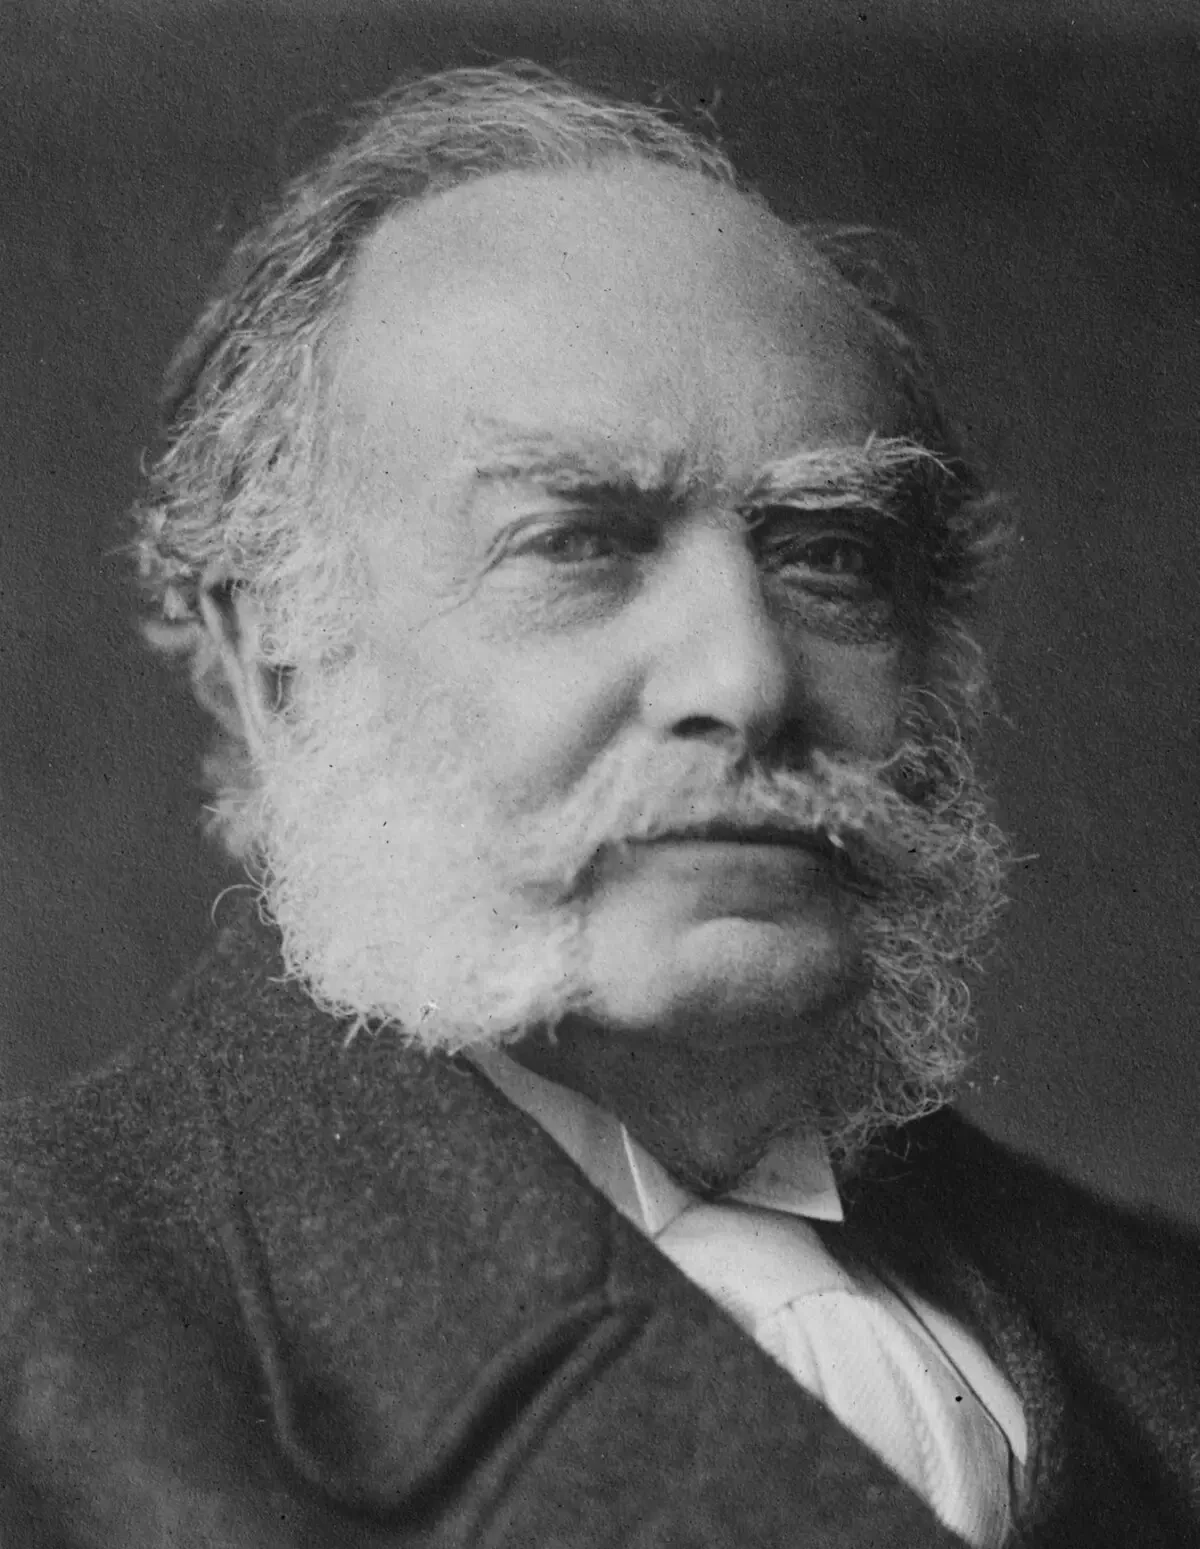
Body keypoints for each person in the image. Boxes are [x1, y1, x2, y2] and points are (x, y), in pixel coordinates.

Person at [2, 62, 1198, 1548]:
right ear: (275, 667)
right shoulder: (45, 1330)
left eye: (830, 553)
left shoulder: (1160, 1318)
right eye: (577, 543)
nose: (745, 679)